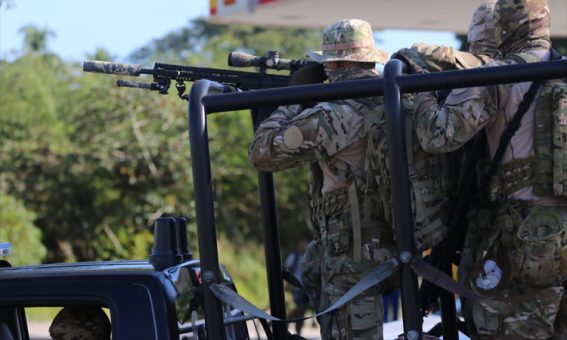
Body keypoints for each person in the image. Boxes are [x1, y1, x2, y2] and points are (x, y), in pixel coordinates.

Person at [249, 18, 451, 339]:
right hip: (397, 240)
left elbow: (262, 152)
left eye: (326, 63)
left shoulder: (337, 113)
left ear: (336, 62)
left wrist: (294, 96)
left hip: (351, 252)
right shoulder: (401, 100)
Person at [410, 0, 567, 338]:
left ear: (504, 27)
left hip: (526, 235)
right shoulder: (562, 69)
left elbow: (440, 135)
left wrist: (419, 91)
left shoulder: (497, 73)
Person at [284, 238, 310, 335]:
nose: (304, 246)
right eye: (302, 244)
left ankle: (298, 331)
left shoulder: (309, 257)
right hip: (295, 288)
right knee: (300, 307)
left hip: (306, 289)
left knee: (302, 312)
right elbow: (287, 271)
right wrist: (288, 284)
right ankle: (286, 320)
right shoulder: (293, 256)